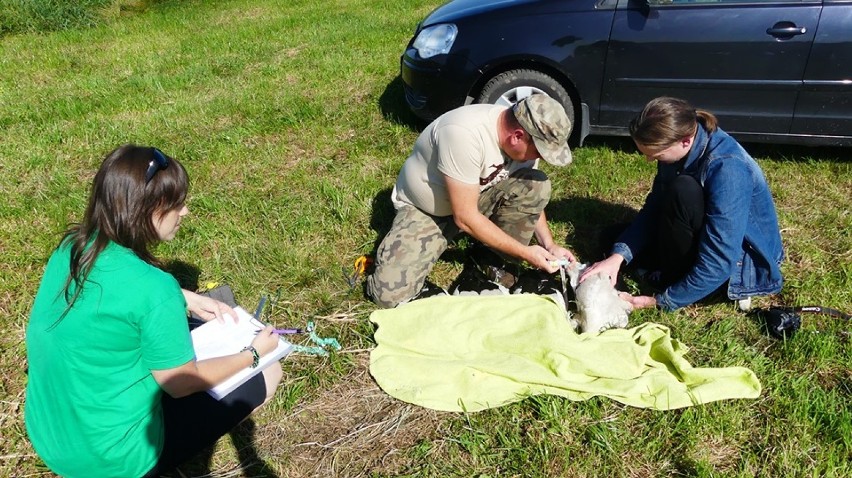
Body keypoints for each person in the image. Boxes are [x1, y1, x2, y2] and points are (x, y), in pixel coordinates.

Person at [24, 145, 284, 478]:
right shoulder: (153, 289)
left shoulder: (73, 248)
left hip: (50, 435)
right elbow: (180, 384)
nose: (186, 212)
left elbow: (116, 292)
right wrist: (254, 353)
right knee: (270, 372)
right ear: (148, 211)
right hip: (115, 460)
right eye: (177, 204)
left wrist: (185, 297)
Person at [367, 93, 577, 308]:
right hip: (428, 210)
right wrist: (526, 254)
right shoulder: (463, 133)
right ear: (517, 136)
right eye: (540, 152)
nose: (539, 158)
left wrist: (549, 245)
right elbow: (465, 216)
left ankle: (491, 258)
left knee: (536, 183)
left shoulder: (522, 139)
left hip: (474, 199)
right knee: (388, 292)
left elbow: (530, 195)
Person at [581, 96, 784, 312]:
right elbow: (655, 207)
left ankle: (677, 280)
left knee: (683, 189)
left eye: (656, 155)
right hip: (697, 230)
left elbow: (721, 260)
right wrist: (617, 257)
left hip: (737, 266)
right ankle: (660, 268)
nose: (650, 161)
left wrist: (661, 301)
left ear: (685, 141)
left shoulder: (728, 169)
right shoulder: (680, 147)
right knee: (610, 240)